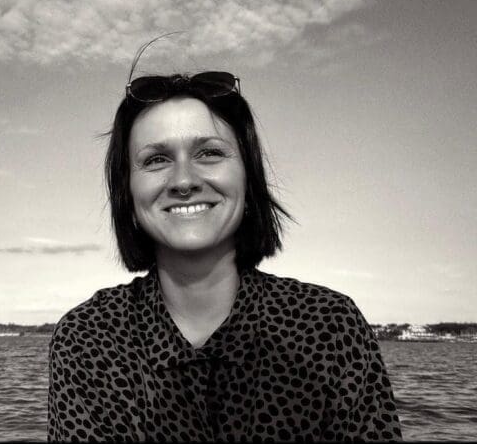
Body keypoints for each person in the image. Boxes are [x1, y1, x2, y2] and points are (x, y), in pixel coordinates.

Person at [47, 65, 403, 441]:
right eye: (156, 160)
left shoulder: (331, 328)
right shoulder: (87, 340)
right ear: (128, 192)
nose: (184, 180)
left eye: (210, 153)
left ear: (248, 179)